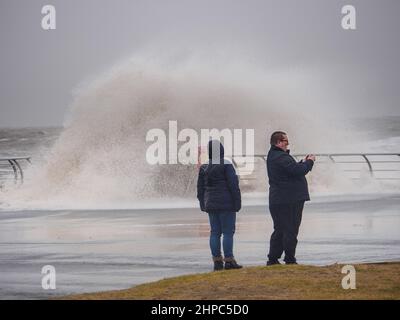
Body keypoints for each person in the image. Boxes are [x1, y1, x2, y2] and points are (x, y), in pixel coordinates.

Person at [266, 131, 315, 265]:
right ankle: (289, 259)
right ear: (278, 142)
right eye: (286, 141)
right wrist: (309, 162)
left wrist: (302, 162)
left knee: (280, 229)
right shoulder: (280, 157)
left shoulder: (275, 156)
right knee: (290, 230)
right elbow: (298, 171)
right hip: (289, 200)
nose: (288, 143)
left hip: (280, 199)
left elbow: (291, 169)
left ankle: (273, 258)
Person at [197, 140, 242, 271]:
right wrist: (237, 202)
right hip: (226, 203)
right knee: (228, 232)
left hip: (211, 203)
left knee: (215, 232)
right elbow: (234, 186)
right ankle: (229, 260)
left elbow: (200, 189)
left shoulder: (204, 167)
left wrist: (202, 203)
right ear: (221, 150)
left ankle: (217, 261)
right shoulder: (226, 164)